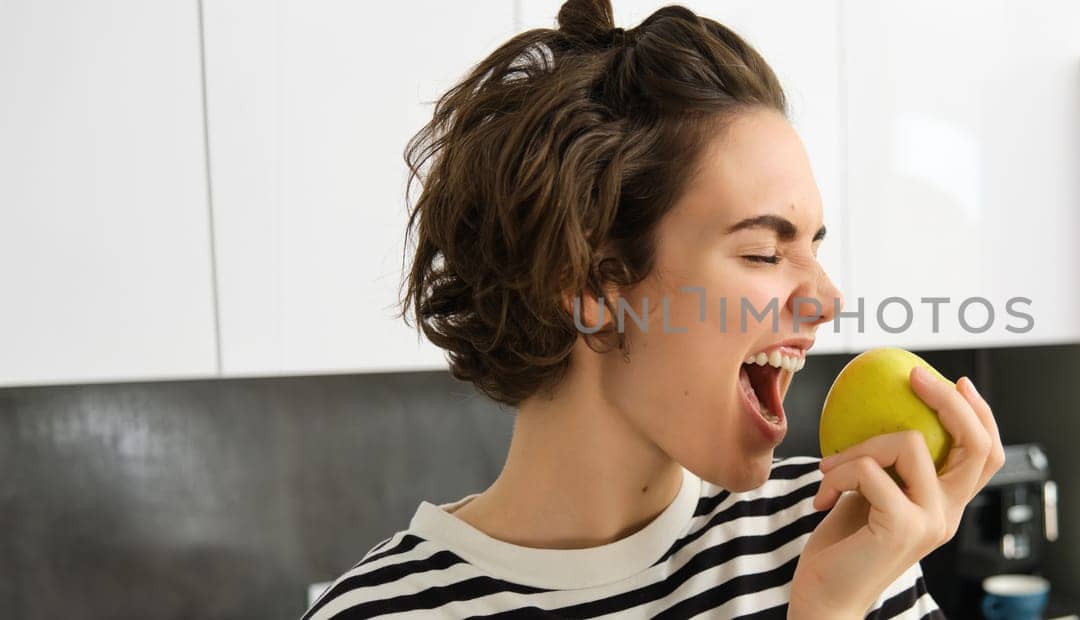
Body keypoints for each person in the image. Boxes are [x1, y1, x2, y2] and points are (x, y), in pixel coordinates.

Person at [303, 1, 1003, 617]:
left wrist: (833, 607)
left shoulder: (843, 534)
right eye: (763, 252)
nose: (826, 299)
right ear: (590, 283)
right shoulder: (387, 611)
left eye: (814, 247)